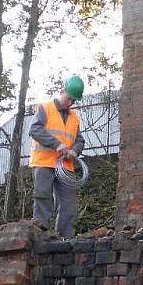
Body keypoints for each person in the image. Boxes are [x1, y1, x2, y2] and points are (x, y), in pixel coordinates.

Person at [28, 75, 86, 238]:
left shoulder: (74, 118)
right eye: (69, 98)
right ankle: (41, 234)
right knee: (43, 197)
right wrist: (58, 145)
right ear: (63, 91)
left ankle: (64, 238)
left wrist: (74, 151)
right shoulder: (45, 108)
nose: (70, 103)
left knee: (68, 205)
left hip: (65, 166)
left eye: (73, 100)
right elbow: (35, 130)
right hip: (44, 162)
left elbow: (79, 140)